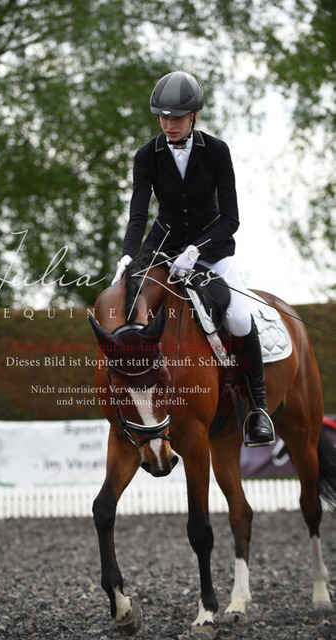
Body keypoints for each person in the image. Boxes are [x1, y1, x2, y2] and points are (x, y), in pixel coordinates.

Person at [112, 70, 274, 446]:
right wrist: (127, 256)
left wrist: (197, 249)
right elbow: (138, 213)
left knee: (239, 316)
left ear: (194, 115)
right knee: (130, 309)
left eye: (177, 118)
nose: (169, 124)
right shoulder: (146, 156)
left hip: (212, 249)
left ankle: (258, 409)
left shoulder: (216, 151)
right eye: (163, 117)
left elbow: (231, 218)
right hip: (163, 248)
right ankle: (130, 402)